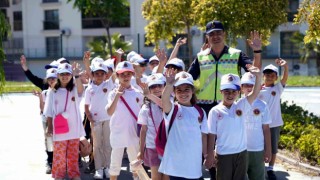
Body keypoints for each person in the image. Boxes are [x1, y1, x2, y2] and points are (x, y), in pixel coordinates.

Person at [188, 20, 262, 179]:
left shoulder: (237, 54)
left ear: (224, 34)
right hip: (205, 108)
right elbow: (188, 79)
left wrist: (257, 52)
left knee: (227, 147)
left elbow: (253, 71)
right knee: (206, 149)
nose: (215, 36)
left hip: (231, 107)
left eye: (218, 33)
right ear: (207, 37)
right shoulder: (201, 57)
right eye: (211, 34)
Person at [207, 65, 261, 180]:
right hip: (223, 154)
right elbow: (211, 134)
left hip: (241, 153)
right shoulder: (215, 111)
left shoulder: (242, 105)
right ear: (220, 91)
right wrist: (210, 154)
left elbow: (255, 93)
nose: (230, 95)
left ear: (239, 91)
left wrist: (258, 76)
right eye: (226, 91)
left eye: (233, 91)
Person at [159, 70, 211, 179]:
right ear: (174, 92)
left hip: (194, 166)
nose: (183, 93)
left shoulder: (200, 111)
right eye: (179, 90)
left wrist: (206, 155)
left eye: (186, 89)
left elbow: (203, 135)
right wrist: (169, 85)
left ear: (192, 91)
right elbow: (164, 100)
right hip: (176, 167)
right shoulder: (173, 109)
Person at [43, 63, 86, 180]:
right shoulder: (53, 91)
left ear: (71, 75)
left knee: (73, 154)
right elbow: (49, 111)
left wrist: (77, 76)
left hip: (74, 128)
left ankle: (74, 174)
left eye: (68, 74)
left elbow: (81, 91)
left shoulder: (74, 89)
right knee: (59, 155)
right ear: (58, 75)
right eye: (62, 74)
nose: (65, 76)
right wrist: (49, 127)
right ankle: (59, 175)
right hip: (59, 128)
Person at [106, 61, 143, 180]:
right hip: (118, 133)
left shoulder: (138, 93)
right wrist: (117, 95)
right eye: (122, 74)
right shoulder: (112, 93)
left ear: (132, 75)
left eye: (128, 74)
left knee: (135, 164)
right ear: (117, 76)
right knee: (115, 163)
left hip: (133, 133)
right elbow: (109, 112)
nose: (126, 77)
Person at [258, 59, 288, 180]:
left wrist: (285, 67)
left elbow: (285, 78)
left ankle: (270, 169)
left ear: (276, 77)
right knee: (259, 146)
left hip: (274, 124)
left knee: (273, 147)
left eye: (272, 75)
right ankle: (259, 167)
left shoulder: (278, 88)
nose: (269, 77)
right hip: (259, 124)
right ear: (263, 76)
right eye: (267, 74)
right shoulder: (258, 89)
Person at [84, 61, 113, 179]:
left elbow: (114, 73)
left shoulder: (108, 85)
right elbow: (86, 107)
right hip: (95, 120)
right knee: (97, 145)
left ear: (106, 75)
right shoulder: (89, 89)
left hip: (108, 119)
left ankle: (107, 167)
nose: (99, 75)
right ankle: (98, 169)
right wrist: (90, 119)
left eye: (102, 73)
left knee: (107, 144)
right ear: (93, 74)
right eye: (97, 73)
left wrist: (118, 56)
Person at [240, 72, 272, 180]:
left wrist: (268, 149)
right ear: (241, 87)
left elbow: (266, 129)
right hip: (240, 149)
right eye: (246, 85)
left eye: (252, 85)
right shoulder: (237, 104)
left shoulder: (263, 105)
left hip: (258, 149)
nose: (249, 88)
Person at [137, 73, 166, 180]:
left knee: (167, 176)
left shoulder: (171, 102)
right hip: (152, 146)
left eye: (160, 85)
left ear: (165, 86)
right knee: (156, 176)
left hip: (168, 146)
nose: (157, 88)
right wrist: (141, 150)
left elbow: (164, 105)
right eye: (153, 86)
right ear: (149, 89)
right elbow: (143, 130)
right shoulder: (145, 108)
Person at [33, 68, 58, 174]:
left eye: (54, 78)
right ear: (47, 80)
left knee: (58, 141)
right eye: (50, 79)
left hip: (59, 120)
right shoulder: (44, 92)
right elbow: (42, 109)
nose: (52, 80)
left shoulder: (61, 91)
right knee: (48, 140)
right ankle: (49, 161)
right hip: (46, 120)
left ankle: (58, 162)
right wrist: (40, 97)